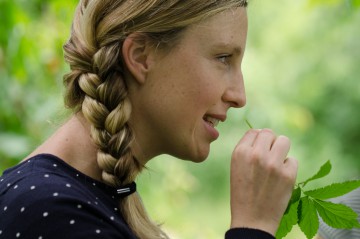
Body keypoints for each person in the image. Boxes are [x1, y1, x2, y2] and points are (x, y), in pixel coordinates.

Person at [0, 0, 298, 238]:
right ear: (141, 56)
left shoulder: (89, 198)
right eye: (223, 58)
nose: (239, 95)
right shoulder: (51, 213)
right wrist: (252, 227)